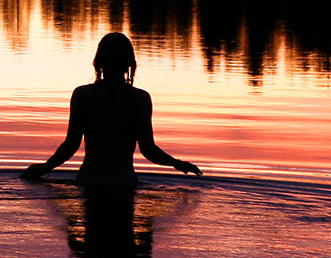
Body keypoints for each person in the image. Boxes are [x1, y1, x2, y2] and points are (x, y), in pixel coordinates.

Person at [22, 31, 202, 184]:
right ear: (129, 64)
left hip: (89, 180)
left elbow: (71, 145)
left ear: (99, 62)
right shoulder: (140, 99)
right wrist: (178, 164)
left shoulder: (83, 95)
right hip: (124, 182)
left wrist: (45, 167)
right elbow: (148, 150)